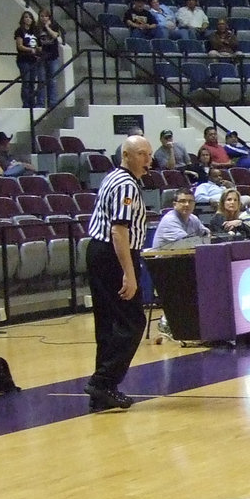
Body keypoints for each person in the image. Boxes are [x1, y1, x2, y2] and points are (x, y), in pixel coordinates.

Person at [83, 135, 152, 412]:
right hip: (114, 254)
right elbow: (118, 230)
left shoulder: (114, 177)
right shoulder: (125, 184)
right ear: (126, 155)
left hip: (99, 252)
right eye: (142, 154)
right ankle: (103, 382)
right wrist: (130, 273)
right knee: (133, 321)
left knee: (109, 323)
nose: (148, 160)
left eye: (149, 154)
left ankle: (101, 393)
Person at [36, 8, 64, 108]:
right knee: (41, 80)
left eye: (45, 16)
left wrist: (47, 27)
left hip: (53, 56)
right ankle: (40, 103)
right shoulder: (37, 28)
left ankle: (52, 103)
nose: (43, 18)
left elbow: (55, 36)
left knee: (52, 80)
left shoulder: (54, 26)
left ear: (49, 17)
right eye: (42, 16)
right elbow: (36, 42)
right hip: (42, 57)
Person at [14, 9, 40, 109]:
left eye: (29, 17)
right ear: (22, 19)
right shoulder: (19, 31)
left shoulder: (34, 31)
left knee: (32, 82)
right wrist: (30, 50)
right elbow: (19, 46)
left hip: (33, 59)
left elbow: (37, 44)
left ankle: (32, 102)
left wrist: (37, 50)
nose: (28, 19)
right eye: (26, 17)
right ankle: (26, 103)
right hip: (23, 59)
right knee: (26, 81)